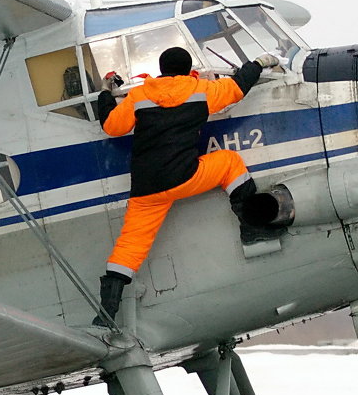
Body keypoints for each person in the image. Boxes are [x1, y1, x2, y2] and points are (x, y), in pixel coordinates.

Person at [91, 45, 277, 325]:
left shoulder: (139, 95)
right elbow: (237, 88)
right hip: (185, 176)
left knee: (130, 246)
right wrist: (260, 62)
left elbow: (112, 127)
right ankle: (251, 227)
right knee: (229, 161)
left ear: (162, 69)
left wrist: (106, 94)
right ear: (187, 68)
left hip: (147, 188)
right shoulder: (201, 91)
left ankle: (106, 314)